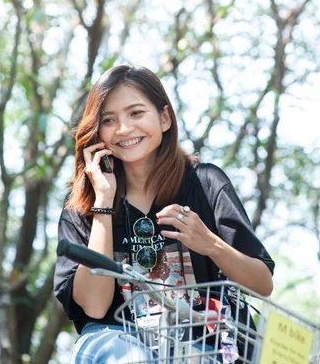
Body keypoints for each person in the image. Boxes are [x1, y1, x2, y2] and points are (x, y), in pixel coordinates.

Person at [54, 65, 275, 363]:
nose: (124, 129)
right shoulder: (82, 209)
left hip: (204, 346)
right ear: (97, 131)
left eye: (136, 113)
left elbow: (262, 283)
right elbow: (94, 306)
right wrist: (103, 202)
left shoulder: (206, 184)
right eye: (109, 120)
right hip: (120, 344)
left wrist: (210, 244)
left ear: (164, 118)